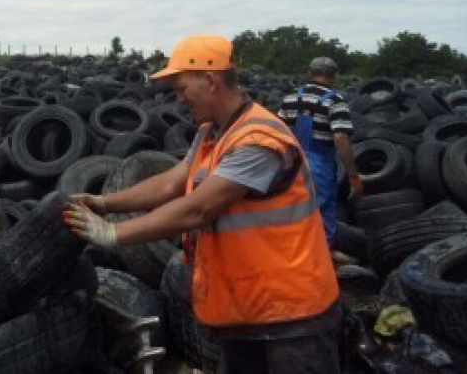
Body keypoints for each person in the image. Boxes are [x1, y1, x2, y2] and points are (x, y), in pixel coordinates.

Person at [63, 35, 340, 374]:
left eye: (181, 88)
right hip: (246, 306)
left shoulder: (259, 140)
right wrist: (103, 202)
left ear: (209, 80)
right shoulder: (212, 132)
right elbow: (170, 183)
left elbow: (198, 208)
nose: (178, 99)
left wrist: (112, 234)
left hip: (291, 313)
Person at [277, 56, 363, 247]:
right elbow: (340, 138)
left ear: (309, 73)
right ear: (334, 76)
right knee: (321, 213)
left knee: (290, 211)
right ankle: (321, 261)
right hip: (319, 167)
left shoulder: (290, 98)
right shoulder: (335, 101)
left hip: (289, 164)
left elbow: (277, 132)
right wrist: (352, 175)